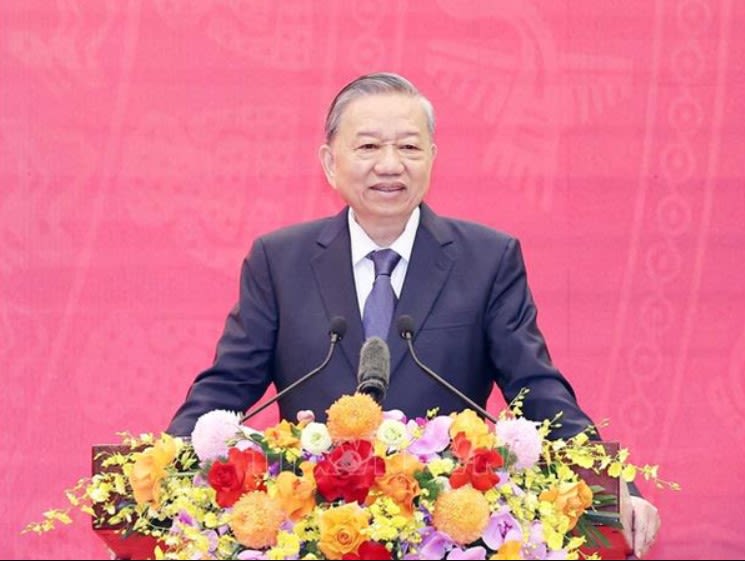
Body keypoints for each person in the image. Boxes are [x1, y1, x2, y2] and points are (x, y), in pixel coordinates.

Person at [166, 72, 661, 557]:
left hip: (445, 533)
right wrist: (154, 480)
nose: (390, 165)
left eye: (408, 147)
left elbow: (537, 389)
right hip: (314, 534)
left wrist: (616, 490)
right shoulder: (279, 261)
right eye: (368, 147)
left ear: (432, 158)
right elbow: (225, 388)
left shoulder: (487, 260)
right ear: (330, 163)